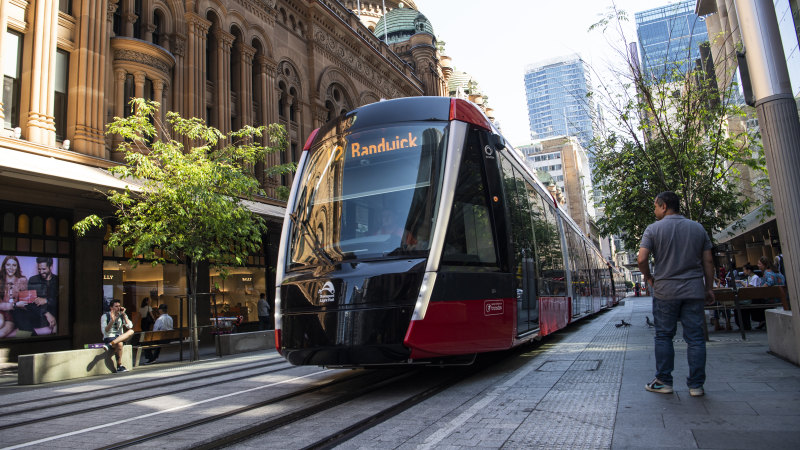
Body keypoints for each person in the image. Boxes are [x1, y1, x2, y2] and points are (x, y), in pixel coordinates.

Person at [638, 191, 714, 398]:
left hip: (665, 291)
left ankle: (663, 381)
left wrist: (649, 277)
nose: (654, 211)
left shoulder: (653, 229)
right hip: (693, 290)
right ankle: (696, 386)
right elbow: (708, 261)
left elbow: (641, 259)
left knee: (664, 336)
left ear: (663, 206)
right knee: (696, 338)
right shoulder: (698, 228)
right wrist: (709, 288)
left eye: (655, 206)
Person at [15, 256, 59, 336]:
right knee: (18, 311)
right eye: (39, 269)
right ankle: (34, 338)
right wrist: (46, 313)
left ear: (51, 267)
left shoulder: (58, 280)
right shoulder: (33, 279)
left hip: (55, 314)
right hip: (39, 314)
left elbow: (62, 301)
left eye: (44, 269)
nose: (41, 272)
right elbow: (30, 302)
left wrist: (46, 300)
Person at [750, 256, 787, 329]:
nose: (758, 265)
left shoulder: (767, 272)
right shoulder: (777, 271)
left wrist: (761, 289)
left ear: (764, 265)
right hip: (781, 296)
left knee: (755, 301)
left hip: (772, 298)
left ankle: (762, 320)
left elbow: (770, 282)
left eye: (759, 264)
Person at [101, 299, 135, 372]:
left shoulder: (122, 315)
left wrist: (124, 315)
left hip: (119, 337)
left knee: (131, 331)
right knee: (120, 344)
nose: (118, 308)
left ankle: (110, 345)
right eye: (116, 306)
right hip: (109, 337)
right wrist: (112, 321)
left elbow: (130, 326)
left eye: (119, 306)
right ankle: (119, 365)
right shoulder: (105, 316)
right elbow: (105, 331)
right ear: (111, 308)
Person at [0, 255, 28, 338]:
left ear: (17, 267)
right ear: (4, 266)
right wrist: (14, 305)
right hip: (1, 311)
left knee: (2, 332)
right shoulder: (0, 280)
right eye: (8, 265)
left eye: (14, 265)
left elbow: (25, 302)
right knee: (0, 322)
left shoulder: (22, 280)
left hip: (12, 315)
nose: (11, 268)